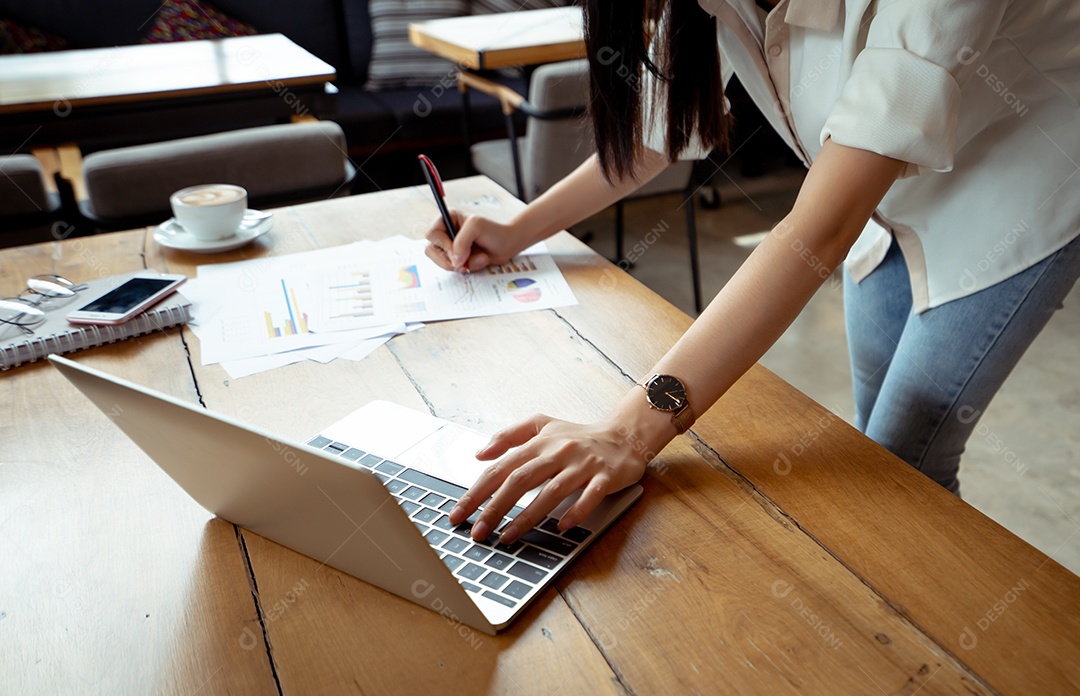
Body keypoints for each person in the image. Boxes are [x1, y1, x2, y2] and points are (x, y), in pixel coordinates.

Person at [425, 0, 1080, 545]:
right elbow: (661, 131)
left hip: (1020, 183)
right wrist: (519, 229)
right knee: (883, 467)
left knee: (906, 459)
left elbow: (818, 228)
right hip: (879, 190)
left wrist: (629, 430)